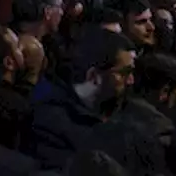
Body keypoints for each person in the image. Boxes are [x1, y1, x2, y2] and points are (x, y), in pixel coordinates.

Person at [28, 28, 135, 169]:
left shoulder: (126, 110)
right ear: (93, 76)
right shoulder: (50, 122)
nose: (131, 81)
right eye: (124, 73)